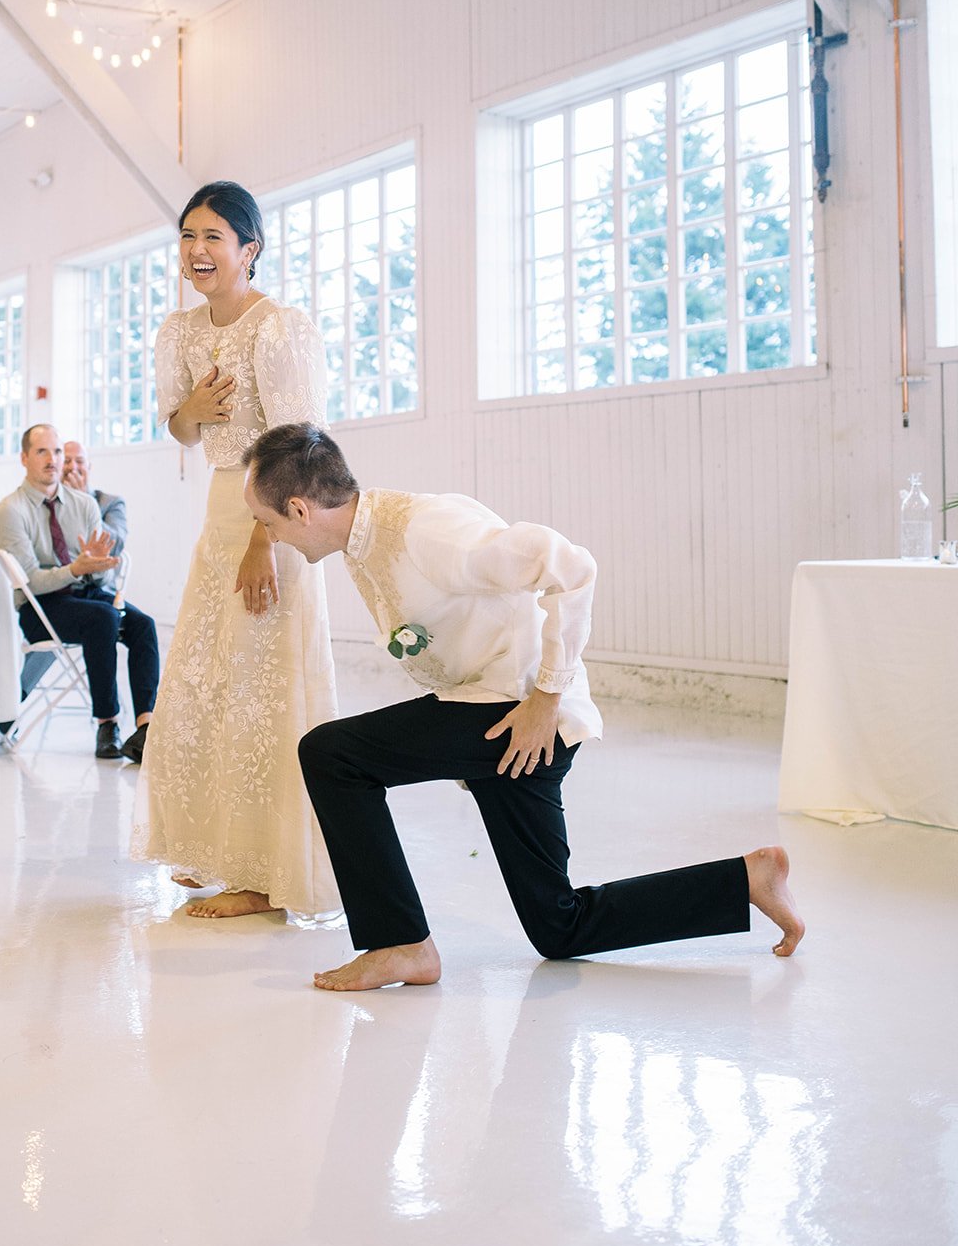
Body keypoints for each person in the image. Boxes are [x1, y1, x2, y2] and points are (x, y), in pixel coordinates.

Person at [240, 423, 806, 991]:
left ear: (299, 509)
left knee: (331, 754)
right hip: (499, 722)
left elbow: (571, 567)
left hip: (519, 713)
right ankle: (748, 879)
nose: (271, 536)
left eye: (268, 523)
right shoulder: (364, 540)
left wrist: (546, 699)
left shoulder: (427, 531)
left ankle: (400, 944)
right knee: (559, 928)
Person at [129, 181, 340, 922]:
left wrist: (262, 540)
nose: (197, 251)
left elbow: (300, 447)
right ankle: (220, 848)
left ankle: (268, 876)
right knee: (210, 683)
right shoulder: (177, 332)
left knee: (262, 693)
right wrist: (186, 412)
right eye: (188, 236)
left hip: (275, 518)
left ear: (249, 249)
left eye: (214, 236)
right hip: (218, 513)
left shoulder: (280, 328)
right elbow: (183, 430)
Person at [0, 424, 159, 759]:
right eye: (42, 451)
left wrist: (98, 566)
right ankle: (107, 723)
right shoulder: (11, 510)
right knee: (102, 617)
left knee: (143, 624)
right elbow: (29, 580)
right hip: (40, 608)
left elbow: (100, 572)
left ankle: (145, 728)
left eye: (57, 452)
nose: (53, 460)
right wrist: (76, 569)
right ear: (24, 458)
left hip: (88, 594)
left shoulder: (84, 504)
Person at [62, 441, 126, 558]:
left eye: (79, 461)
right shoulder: (49, 503)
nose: (72, 467)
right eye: (66, 461)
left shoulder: (112, 503)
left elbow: (116, 546)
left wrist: (83, 502)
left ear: (88, 467)